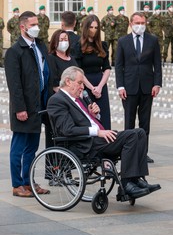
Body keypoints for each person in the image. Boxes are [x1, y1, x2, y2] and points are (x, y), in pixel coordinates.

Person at [47, 66, 161, 199]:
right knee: (131, 136)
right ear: (68, 81)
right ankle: (127, 184)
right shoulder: (57, 100)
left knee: (140, 133)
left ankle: (136, 179)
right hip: (86, 144)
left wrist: (93, 115)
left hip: (96, 138)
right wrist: (97, 132)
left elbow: (84, 121)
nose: (83, 87)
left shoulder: (77, 99)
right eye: (80, 83)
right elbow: (67, 130)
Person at [4, 11, 54, 197]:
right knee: (19, 147)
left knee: (32, 148)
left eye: (37, 24)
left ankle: (28, 182)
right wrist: (20, 108)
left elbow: (45, 73)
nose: (36, 27)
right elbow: (14, 84)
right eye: (32, 24)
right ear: (22, 27)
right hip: (24, 107)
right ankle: (18, 185)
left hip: (39, 104)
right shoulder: (15, 52)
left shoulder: (40, 46)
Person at [115, 12, 162, 164]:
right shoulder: (123, 41)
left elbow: (157, 64)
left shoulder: (153, 40)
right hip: (129, 88)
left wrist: (157, 83)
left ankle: (143, 153)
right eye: (137, 23)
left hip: (147, 88)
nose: (140, 25)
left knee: (145, 123)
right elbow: (119, 66)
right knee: (129, 123)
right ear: (130, 24)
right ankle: (128, 153)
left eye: (143, 23)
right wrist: (120, 86)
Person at [75, 14, 111, 129]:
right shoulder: (78, 46)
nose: (94, 30)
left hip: (101, 84)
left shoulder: (103, 45)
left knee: (104, 117)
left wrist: (100, 86)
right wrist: (91, 88)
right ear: (86, 28)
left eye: (96, 28)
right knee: (89, 116)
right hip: (85, 84)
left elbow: (106, 68)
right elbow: (79, 70)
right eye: (91, 27)